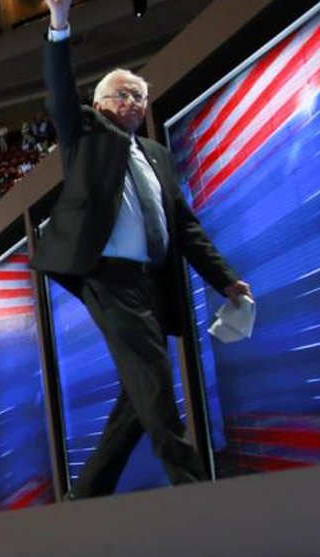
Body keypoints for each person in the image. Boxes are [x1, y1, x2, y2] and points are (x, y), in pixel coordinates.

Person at [36, 0, 253, 499]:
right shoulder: (85, 133)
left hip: (151, 281)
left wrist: (224, 280)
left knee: (139, 393)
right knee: (154, 378)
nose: (135, 101)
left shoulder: (155, 154)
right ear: (103, 102)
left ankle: (87, 493)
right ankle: (194, 488)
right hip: (107, 276)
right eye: (124, 94)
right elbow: (59, 95)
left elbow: (185, 227)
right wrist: (60, 23)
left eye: (140, 95)